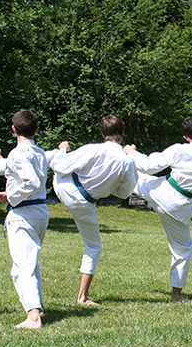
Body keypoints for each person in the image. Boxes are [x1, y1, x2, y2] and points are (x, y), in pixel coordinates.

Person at [123, 117, 192, 302]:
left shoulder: (179, 149)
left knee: (136, 180)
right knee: (183, 249)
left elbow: (148, 166)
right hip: (179, 204)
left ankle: (107, 174)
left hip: (163, 191)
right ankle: (176, 295)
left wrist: (131, 152)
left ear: (186, 137)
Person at [48, 115, 138, 305]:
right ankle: (82, 297)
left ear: (102, 132)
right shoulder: (127, 162)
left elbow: (59, 165)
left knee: (53, 158)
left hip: (62, 186)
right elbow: (124, 193)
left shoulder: (93, 148)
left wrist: (62, 150)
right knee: (93, 246)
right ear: (122, 134)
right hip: (83, 203)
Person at [0, 110, 49, 329]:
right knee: (29, 263)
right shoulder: (39, 153)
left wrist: (10, 196)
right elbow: (11, 167)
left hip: (23, 213)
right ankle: (37, 307)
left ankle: (33, 317)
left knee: (22, 266)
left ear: (13, 129)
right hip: (40, 212)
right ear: (36, 129)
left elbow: (31, 182)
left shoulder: (17, 153)